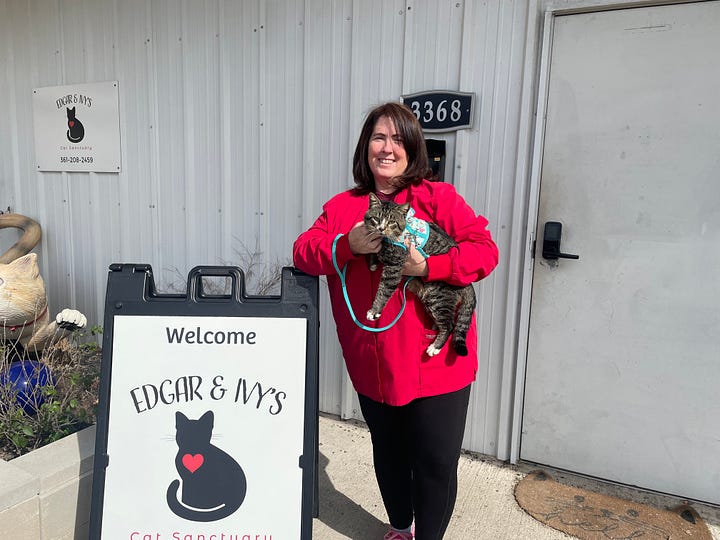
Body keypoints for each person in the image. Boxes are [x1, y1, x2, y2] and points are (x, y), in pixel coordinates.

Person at [293, 102, 499, 540]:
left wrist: (429, 268)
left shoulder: (437, 198)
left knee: (434, 461)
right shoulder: (343, 207)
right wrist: (345, 245)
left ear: (414, 149)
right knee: (387, 452)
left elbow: (484, 250)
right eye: (378, 138)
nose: (387, 148)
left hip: (436, 359)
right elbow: (303, 253)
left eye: (398, 139)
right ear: (365, 146)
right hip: (375, 362)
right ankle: (401, 527)